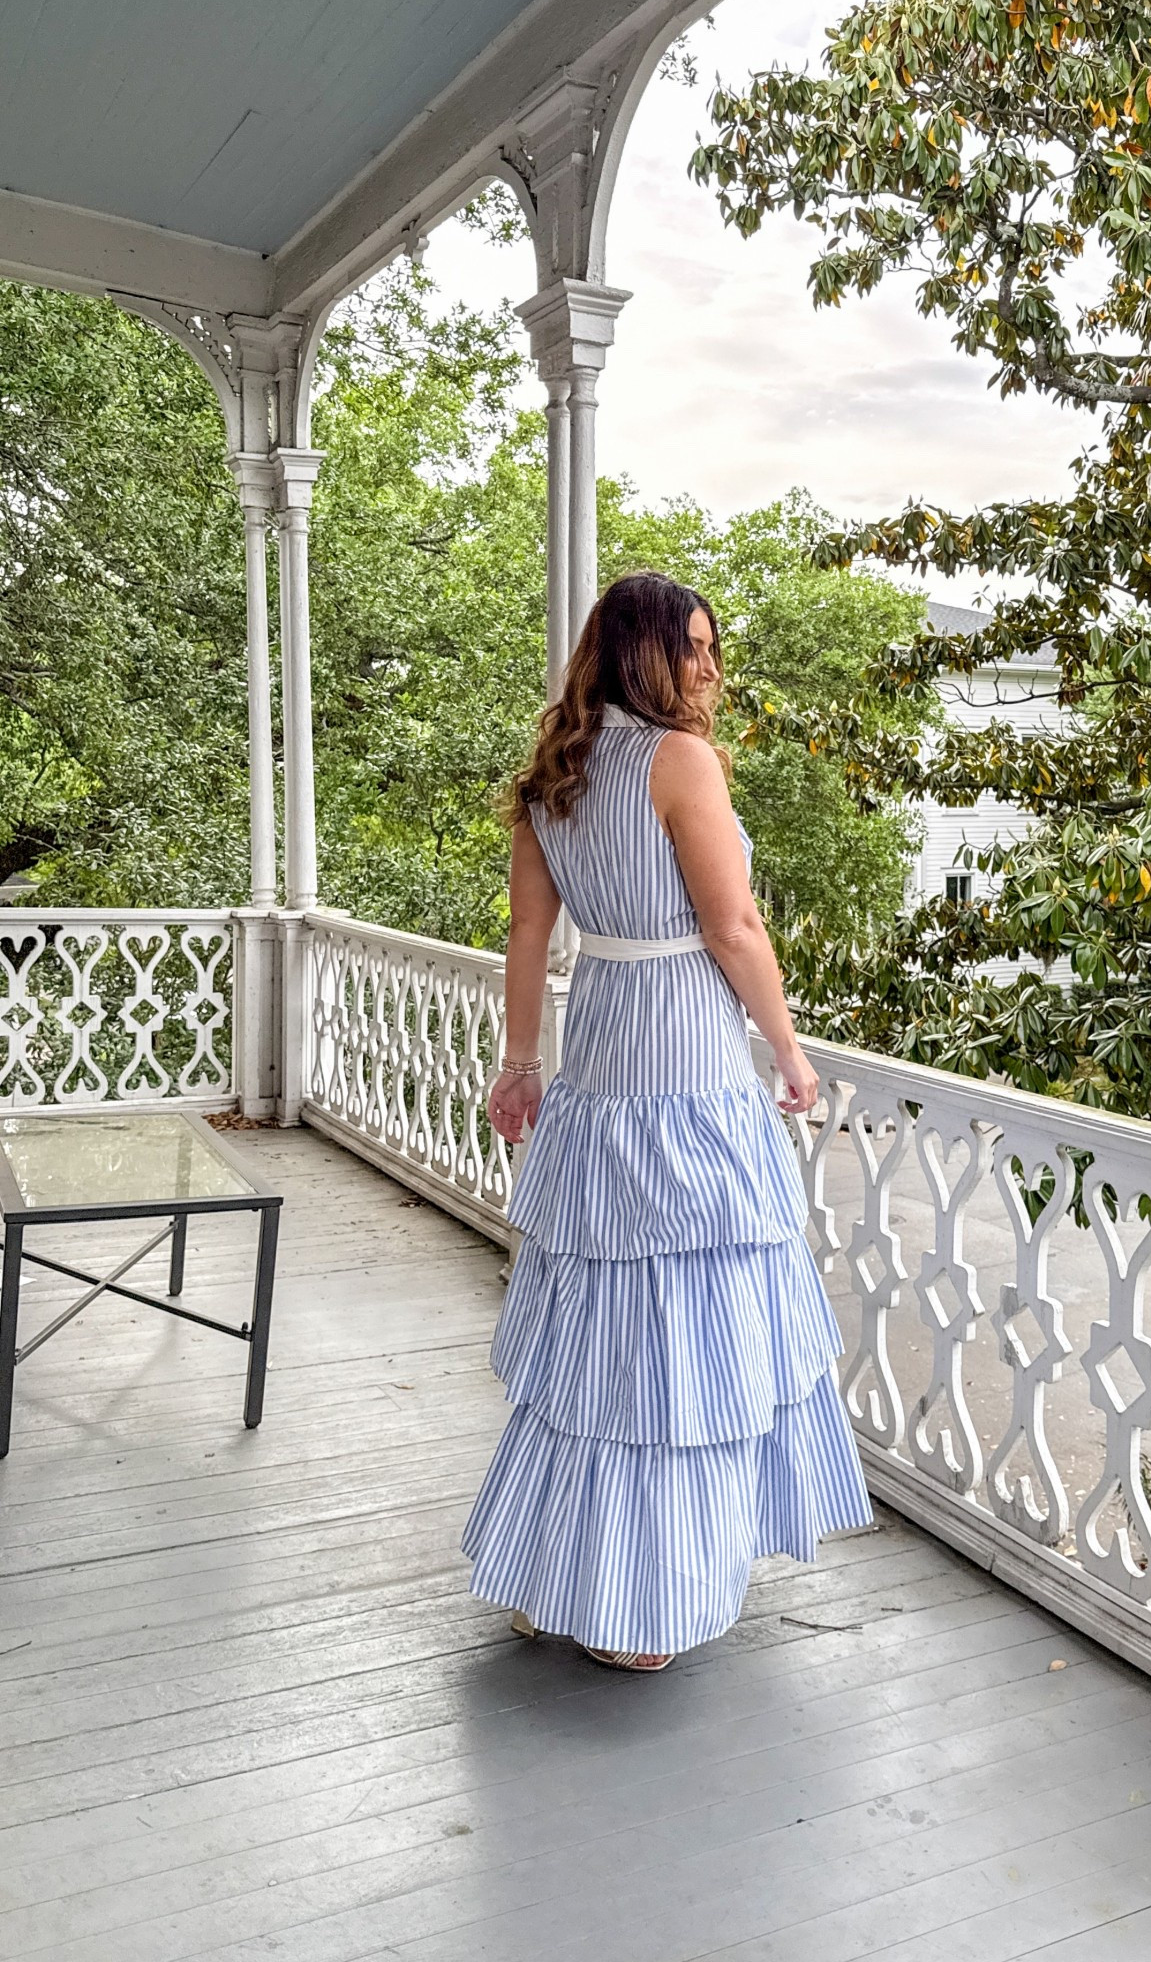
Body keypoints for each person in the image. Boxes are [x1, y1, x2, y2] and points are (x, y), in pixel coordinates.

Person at [464, 571, 871, 1671]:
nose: (708, 667)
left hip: (601, 1058)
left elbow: (530, 937)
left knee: (601, 1331)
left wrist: (519, 1062)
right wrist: (788, 1051)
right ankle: (641, 1605)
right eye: (690, 647)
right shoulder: (677, 759)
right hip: (683, 1064)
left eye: (710, 645)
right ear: (639, 654)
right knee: (678, 1337)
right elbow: (733, 926)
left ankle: (562, 1576)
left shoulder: (559, 768)